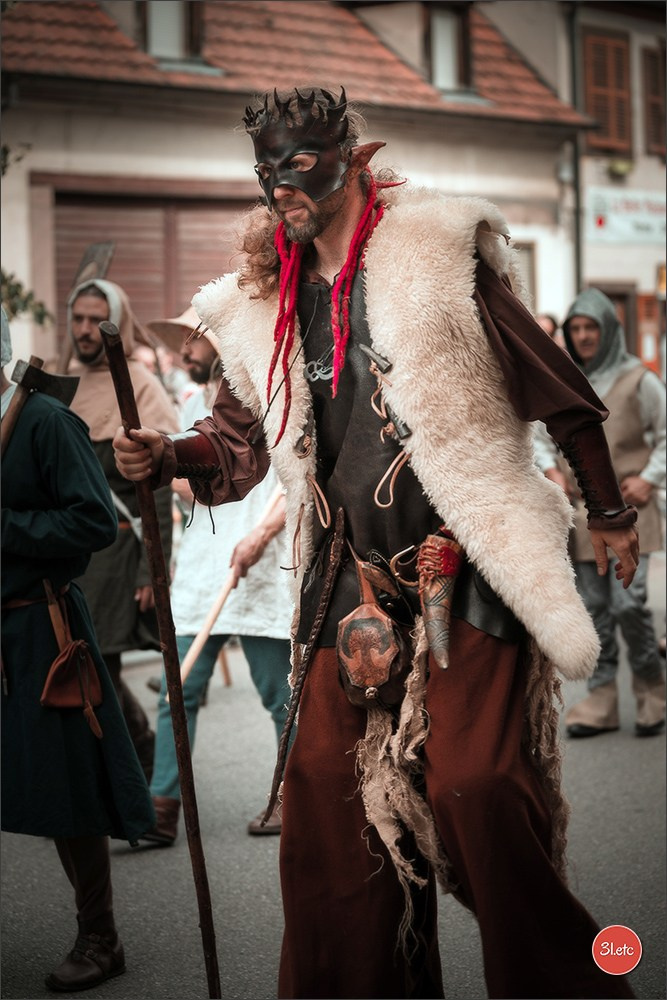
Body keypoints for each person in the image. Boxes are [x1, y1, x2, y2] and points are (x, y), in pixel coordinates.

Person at [112, 88, 640, 999]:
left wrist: (608, 512)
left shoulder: (437, 258)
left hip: (463, 564)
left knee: (474, 790)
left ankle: (574, 981)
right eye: (266, 168)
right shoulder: (261, 303)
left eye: (299, 162)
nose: (281, 183)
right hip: (345, 583)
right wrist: (166, 455)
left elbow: (559, 390)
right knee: (326, 801)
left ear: (352, 158)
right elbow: (235, 444)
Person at [1, 308, 155, 992]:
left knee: (66, 787)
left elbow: (93, 521)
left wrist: (4, 526)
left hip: (42, 629)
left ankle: (100, 937)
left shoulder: (44, 422)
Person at [140, 306, 294, 843]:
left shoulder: (263, 398)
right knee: (177, 691)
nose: (185, 350)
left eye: (194, 339)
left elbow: (291, 481)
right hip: (204, 569)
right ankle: (162, 805)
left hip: (260, 564)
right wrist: (175, 468)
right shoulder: (190, 404)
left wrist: (261, 534)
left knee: (279, 695)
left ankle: (290, 798)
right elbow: (183, 480)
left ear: (221, 342)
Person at [533, 288, 666, 739]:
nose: (584, 336)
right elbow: (541, 437)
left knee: (629, 605)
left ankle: (650, 687)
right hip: (583, 516)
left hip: (633, 511)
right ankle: (602, 697)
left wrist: (650, 477)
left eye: (592, 327)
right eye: (576, 328)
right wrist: (552, 469)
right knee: (596, 609)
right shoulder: (564, 380)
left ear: (609, 329)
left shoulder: (639, 379)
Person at [67, 279, 180, 782]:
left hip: (116, 553)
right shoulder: (64, 380)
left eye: (95, 319)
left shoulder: (138, 384)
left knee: (99, 668)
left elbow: (155, 489)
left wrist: (150, 570)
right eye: (78, 318)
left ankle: (140, 766)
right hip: (73, 554)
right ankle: (117, 773)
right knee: (80, 665)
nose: (84, 329)